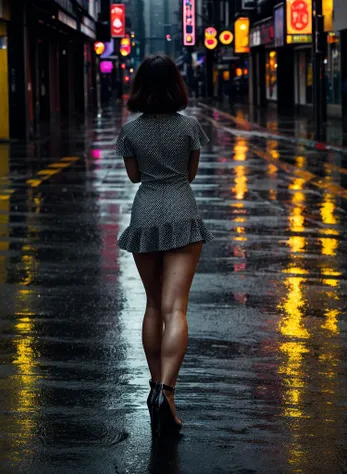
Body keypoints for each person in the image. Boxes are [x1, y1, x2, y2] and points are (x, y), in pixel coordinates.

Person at [115, 54, 213, 437]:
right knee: (177, 308)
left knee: (153, 305)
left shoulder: (130, 132)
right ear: (176, 85)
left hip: (146, 213)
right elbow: (189, 174)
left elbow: (135, 177)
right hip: (182, 211)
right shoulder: (190, 127)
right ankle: (168, 393)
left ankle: (155, 387)